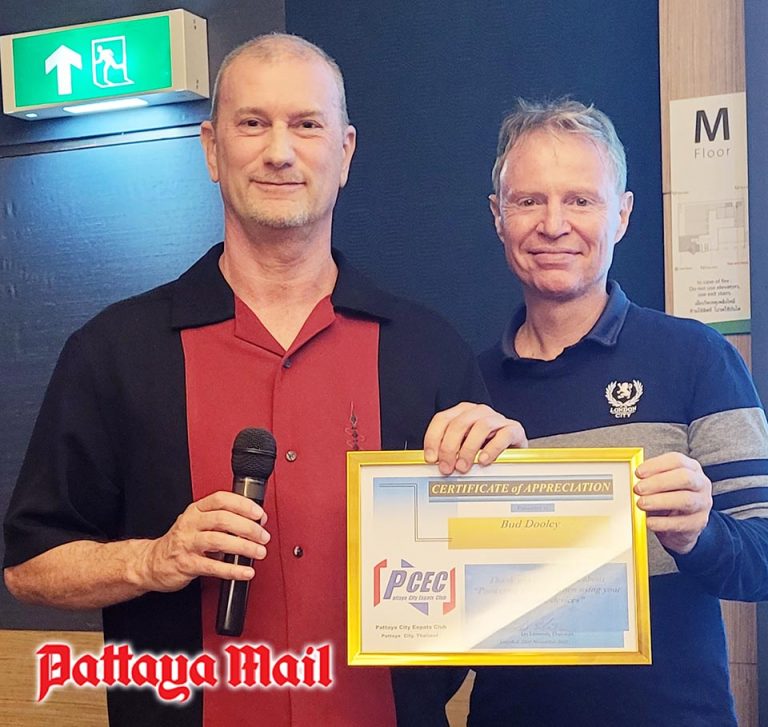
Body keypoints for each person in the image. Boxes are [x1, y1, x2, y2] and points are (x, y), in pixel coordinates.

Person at [3, 34, 525, 727]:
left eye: (306, 125)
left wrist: (510, 479)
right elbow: (29, 566)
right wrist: (151, 560)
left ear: (345, 152)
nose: (280, 151)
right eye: (252, 123)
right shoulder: (113, 353)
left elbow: (503, 577)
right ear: (211, 149)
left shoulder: (427, 350)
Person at [470, 98, 768, 725]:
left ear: (623, 214)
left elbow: (762, 560)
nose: (554, 225)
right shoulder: (467, 388)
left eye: (581, 200)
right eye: (529, 201)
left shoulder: (696, 356)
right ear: (498, 216)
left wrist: (698, 534)